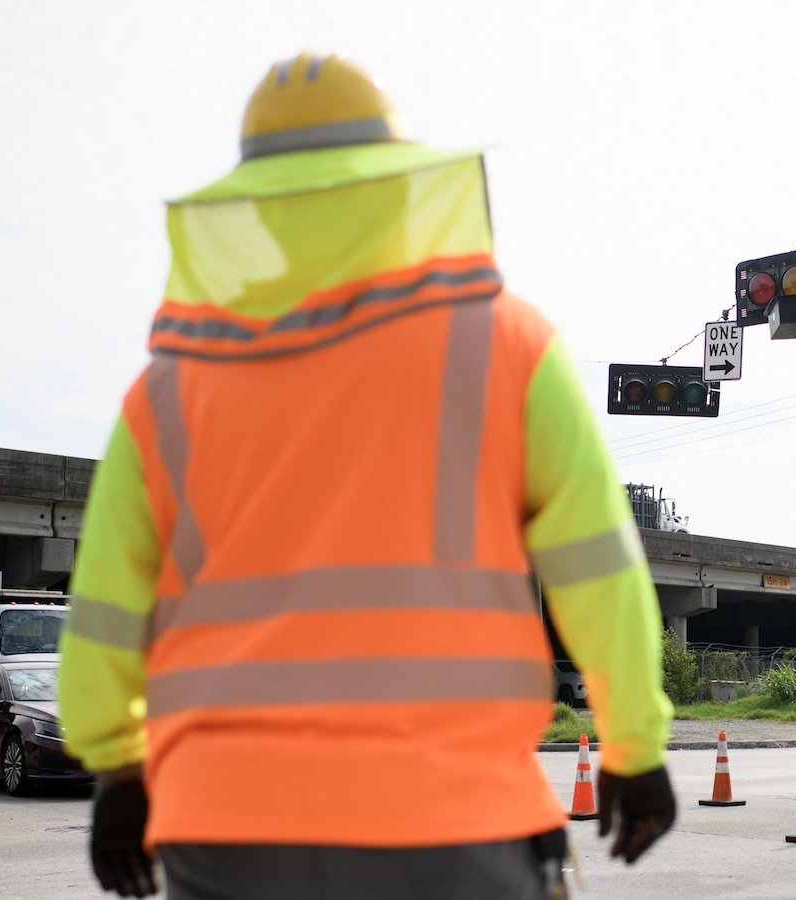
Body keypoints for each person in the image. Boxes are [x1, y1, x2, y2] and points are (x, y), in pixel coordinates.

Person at [58, 51, 675, 899]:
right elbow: (597, 572)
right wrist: (632, 747)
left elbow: (103, 613)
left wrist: (117, 771)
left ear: (257, 215)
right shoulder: (505, 344)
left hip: (223, 821)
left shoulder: (163, 393)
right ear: (396, 188)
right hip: (453, 820)